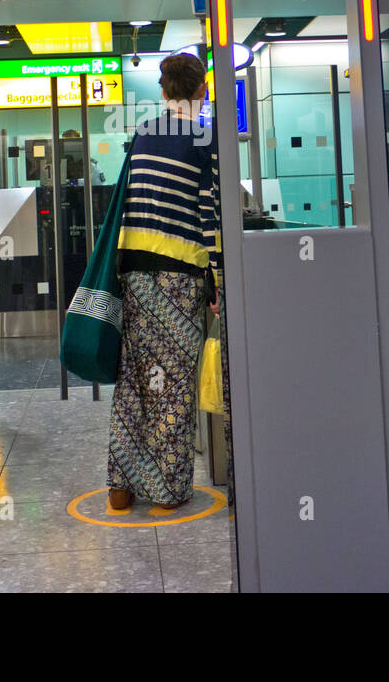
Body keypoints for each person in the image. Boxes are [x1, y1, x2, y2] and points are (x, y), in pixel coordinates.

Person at [107, 52, 221, 511]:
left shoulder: (143, 132)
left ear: (164, 90)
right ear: (200, 90)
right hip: (180, 274)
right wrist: (218, 274)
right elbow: (209, 214)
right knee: (172, 383)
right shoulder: (203, 136)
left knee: (135, 378)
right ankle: (168, 490)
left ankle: (121, 485)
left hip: (135, 272)